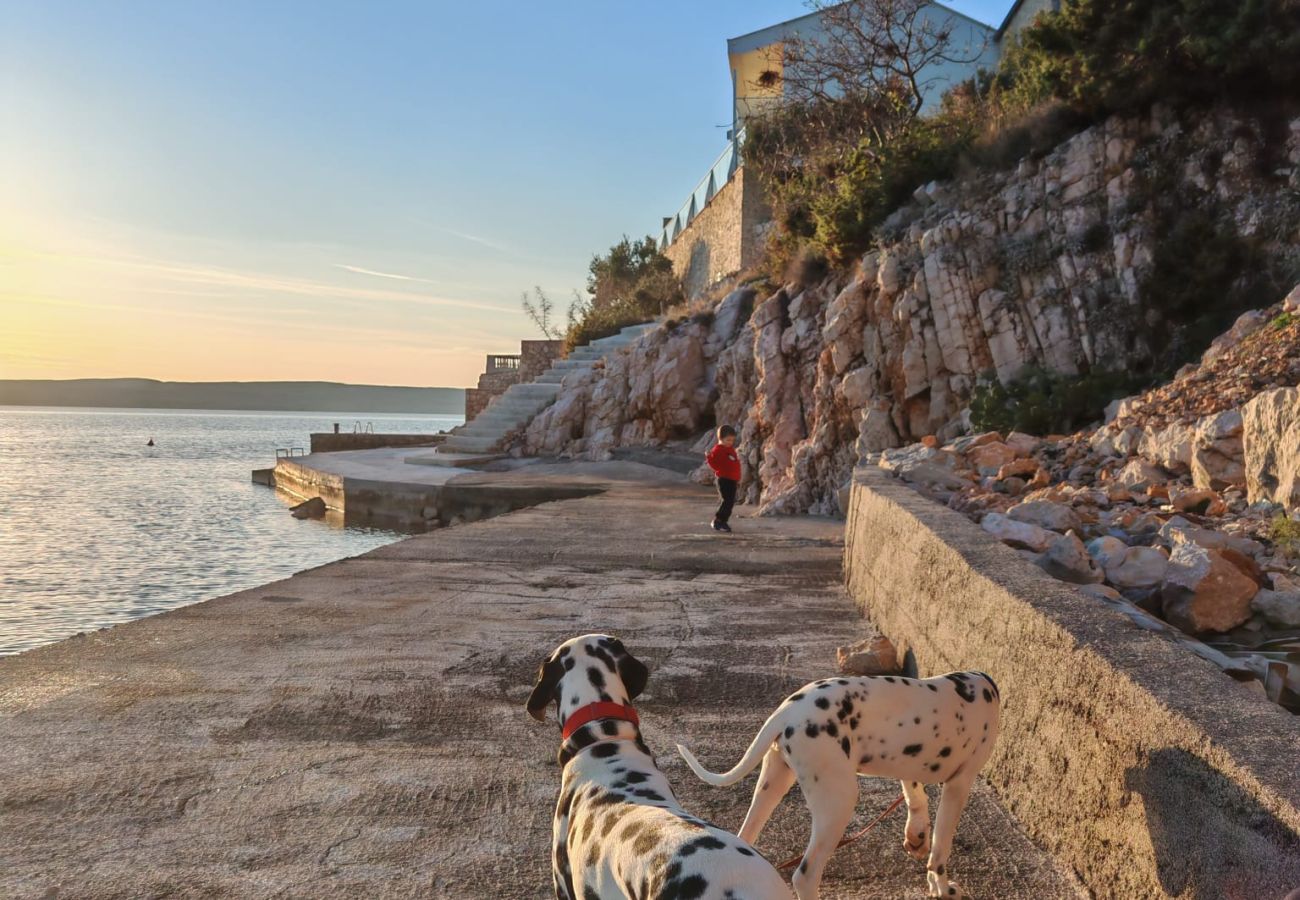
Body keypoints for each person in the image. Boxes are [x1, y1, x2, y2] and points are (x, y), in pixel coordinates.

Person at [705, 424, 741, 533]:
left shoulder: (730, 449)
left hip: (732, 480)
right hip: (724, 480)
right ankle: (718, 520)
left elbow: (734, 463)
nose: (730, 442)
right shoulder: (718, 450)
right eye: (728, 440)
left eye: (732, 440)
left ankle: (722, 521)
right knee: (727, 501)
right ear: (720, 439)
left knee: (730, 501)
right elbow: (715, 465)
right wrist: (709, 458)